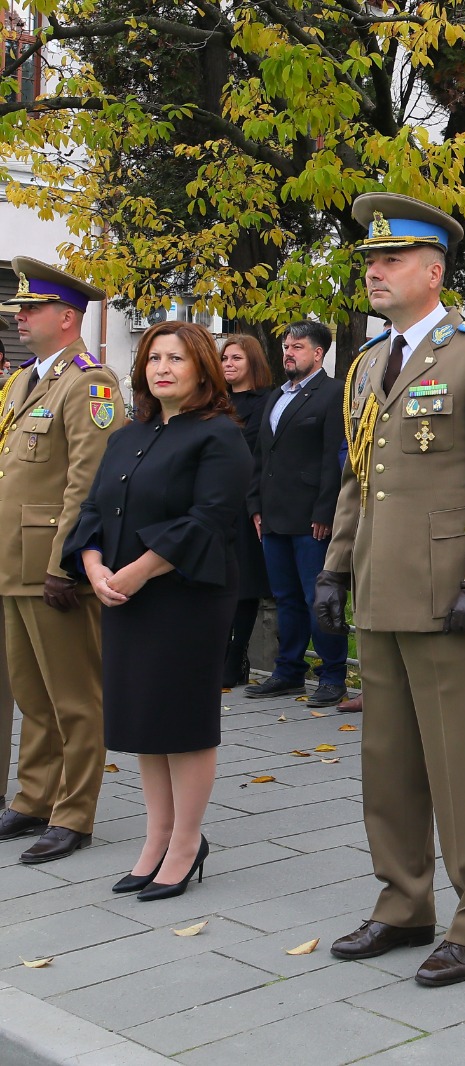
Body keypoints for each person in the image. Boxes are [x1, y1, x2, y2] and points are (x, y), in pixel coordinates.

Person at [314, 192, 465, 987]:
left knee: (464, 766)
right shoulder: (371, 363)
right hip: (381, 586)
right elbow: (359, 479)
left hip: (452, 596)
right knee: (389, 761)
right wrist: (337, 567)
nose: (374, 272)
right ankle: (403, 902)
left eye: (391, 259)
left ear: (433, 270)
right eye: (371, 261)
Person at [63, 321, 251, 900]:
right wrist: (94, 568)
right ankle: (156, 838)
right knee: (145, 719)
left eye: (176, 358)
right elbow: (93, 508)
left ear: (202, 369)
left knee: (182, 721)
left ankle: (187, 842)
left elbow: (209, 519)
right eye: (152, 358)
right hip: (122, 592)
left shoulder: (218, 435)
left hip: (184, 596)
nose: (161, 367)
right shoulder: (128, 433)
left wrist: (138, 571)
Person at [0, 258, 123, 865]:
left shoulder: (90, 382)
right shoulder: (24, 381)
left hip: (49, 563)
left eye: (31, 308)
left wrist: (66, 562)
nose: (19, 318)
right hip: (11, 562)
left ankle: (75, 813)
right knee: (32, 695)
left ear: (66, 317)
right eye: (19, 309)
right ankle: (33, 798)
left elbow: (89, 482)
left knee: (74, 696)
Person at [244, 321, 348, 708]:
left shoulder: (333, 393)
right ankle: (288, 671)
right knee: (285, 597)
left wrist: (326, 509)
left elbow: (332, 456)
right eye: (286, 346)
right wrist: (255, 505)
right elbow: (261, 455)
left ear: (318, 353)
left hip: (311, 518)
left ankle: (333, 675)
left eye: (298, 347)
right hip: (273, 514)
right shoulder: (276, 396)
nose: (288, 353)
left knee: (318, 597)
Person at [219, 333, 275, 687]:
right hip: (213, 499)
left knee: (244, 583)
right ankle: (218, 653)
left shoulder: (268, 401)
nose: (228, 364)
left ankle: (236, 656)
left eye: (236, 358)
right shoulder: (212, 400)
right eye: (224, 358)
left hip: (247, 500)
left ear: (252, 361)